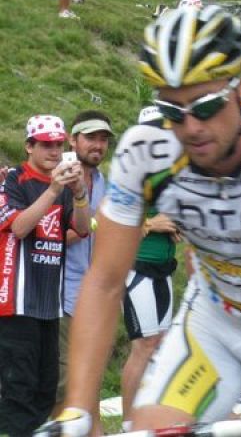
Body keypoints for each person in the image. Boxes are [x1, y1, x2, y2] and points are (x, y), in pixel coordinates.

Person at [47, 6, 241, 436]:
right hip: (213, 326)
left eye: (207, 104)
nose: (191, 126)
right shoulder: (146, 152)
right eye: (172, 110)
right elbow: (104, 281)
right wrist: (79, 410)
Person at [0, 115, 90, 436]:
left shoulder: (64, 184)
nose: (54, 151)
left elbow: (81, 228)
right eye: (46, 144)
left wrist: (78, 193)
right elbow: (21, 227)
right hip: (16, 303)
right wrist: (54, 189)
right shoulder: (12, 180)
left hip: (49, 304)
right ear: (29, 146)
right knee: (18, 389)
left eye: (58, 144)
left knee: (46, 387)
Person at [119, 106, 181, 429]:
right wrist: (149, 224)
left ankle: (149, 417)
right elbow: (108, 221)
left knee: (159, 345)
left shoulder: (170, 172)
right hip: (136, 266)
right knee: (142, 346)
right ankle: (129, 424)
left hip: (164, 267)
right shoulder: (131, 170)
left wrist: (178, 226)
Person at [52, 111, 113, 434]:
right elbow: (40, 238)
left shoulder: (105, 183)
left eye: (103, 140)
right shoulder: (58, 183)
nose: (98, 145)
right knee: (63, 388)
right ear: (72, 140)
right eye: (91, 137)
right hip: (60, 297)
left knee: (91, 384)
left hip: (96, 300)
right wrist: (89, 225)